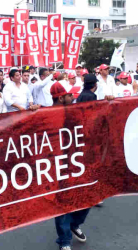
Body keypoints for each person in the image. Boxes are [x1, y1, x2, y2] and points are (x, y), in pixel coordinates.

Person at [51, 80, 88, 250]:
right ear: (60, 98)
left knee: (88, 196)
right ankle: (64, 240)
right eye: (69, 95)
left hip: (78, 161)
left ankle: (75, 224)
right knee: (63, 203)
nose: (72, 97)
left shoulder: (74, 111)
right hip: (58, 166)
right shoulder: (45, 115)